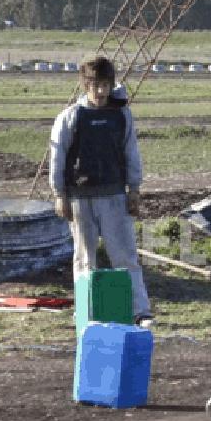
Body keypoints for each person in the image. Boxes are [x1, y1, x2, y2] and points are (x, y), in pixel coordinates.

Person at [49, 55, 154, 329]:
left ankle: (140, 311)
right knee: (85, 257)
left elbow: (132, 153)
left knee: (125, 255)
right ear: (86, 86)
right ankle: (85, 311)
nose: (101, 91)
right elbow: (57, 156)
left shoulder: (122, 115)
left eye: (106, 85)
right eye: (95, 85)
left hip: (115, 197)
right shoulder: (71, 116)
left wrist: (135, 190)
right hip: (80, 199)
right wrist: (59, 194)